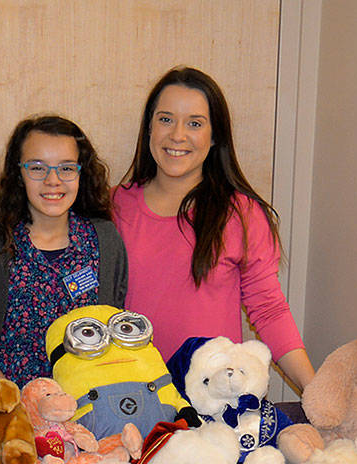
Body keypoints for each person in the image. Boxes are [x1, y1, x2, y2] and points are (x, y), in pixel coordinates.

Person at [114, 66, 315, 389]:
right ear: (149, 127)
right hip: (132, 402)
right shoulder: (114, 208)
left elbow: (269, 311)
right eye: (165, 119)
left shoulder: (242, 214)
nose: (177, 135)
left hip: (215, 405)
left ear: (214, 136)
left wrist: (315, 393)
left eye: (195, 123)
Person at [0, 115, 127, 387]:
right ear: (18, 174)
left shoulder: (105, 241)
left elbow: (114, 332)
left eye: (66, 168)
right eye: (37, 168)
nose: (53, 180)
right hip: (14, 414)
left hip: (90, 408)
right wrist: (19, 408)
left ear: (81, 173)